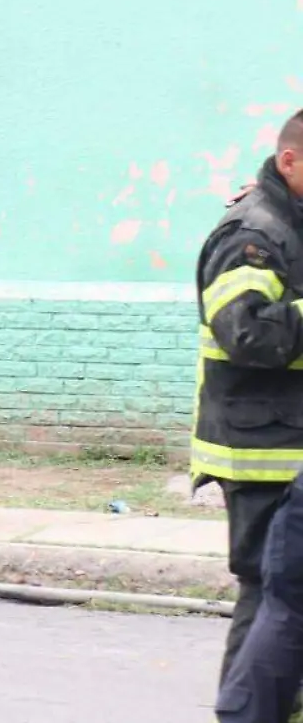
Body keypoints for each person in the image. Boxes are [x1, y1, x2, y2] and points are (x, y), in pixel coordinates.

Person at [203, 110, 303, 721]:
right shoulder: (253, 232)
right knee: (271, 599)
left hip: (286, 441)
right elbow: (246, 335)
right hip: (263, 451)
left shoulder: (291, 219)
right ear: (290, 161)